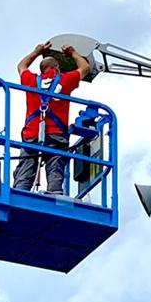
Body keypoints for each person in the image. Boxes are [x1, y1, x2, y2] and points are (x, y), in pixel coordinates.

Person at [13, 41, 91, 194]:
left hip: (32, 135)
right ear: (57, 68)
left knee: (25, 174)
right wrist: (73, 53)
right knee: (55, 171)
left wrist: (36, 51)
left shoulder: (31, 80)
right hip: (56, 136)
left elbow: (21, 66)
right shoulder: (65, 80)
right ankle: (55, 195)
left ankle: (20, 194)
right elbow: (85, 68)